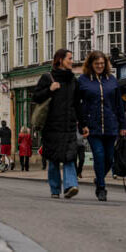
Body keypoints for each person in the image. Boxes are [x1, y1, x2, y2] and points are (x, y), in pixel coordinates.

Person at [32, 48, 84, 199]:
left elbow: (78, 105)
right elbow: (36, 97)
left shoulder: (73, 81)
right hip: (51, 127)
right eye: (70, 58)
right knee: (54, 158)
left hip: (68, 126)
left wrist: (83, 124)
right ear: (60, 60)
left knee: (69, 157)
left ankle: (70, 186)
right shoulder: (48, 78)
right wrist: (49, 89)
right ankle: (55, 189)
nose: (72, 61)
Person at [78, 50, 126, 202]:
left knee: (110, 159)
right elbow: (79, 105)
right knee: (99, 155)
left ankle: (99, 178)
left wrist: (123, 125)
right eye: (96, 63)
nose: (99, 66)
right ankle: (101, 188)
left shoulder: (111, 80)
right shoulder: (83, 80)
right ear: (91, 64)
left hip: (111, 125)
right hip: (93, 126)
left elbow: (119, 104)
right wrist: (83, 123)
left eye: (102, 63)